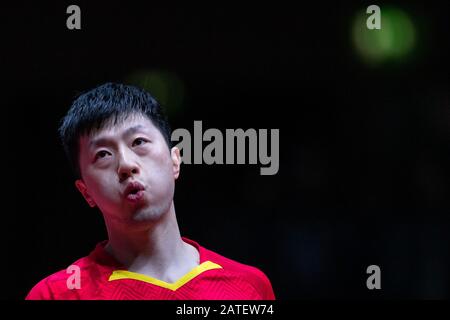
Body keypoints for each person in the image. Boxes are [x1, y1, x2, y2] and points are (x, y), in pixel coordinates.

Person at [26, 83, 275, 300]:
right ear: (85, 192)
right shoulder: (56, 294)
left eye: (138, 142)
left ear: (174, 161)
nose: (126, 164)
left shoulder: (250, 287)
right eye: (103, 154)